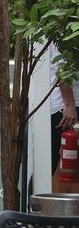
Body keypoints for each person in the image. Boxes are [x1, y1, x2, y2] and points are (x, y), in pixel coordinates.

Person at [49, 43, 79, 192]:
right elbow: (61, 67)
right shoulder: (62, 27)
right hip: (63, 108)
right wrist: (69, 104)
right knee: (49, 163)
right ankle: (34, 209)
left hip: (69, 105)